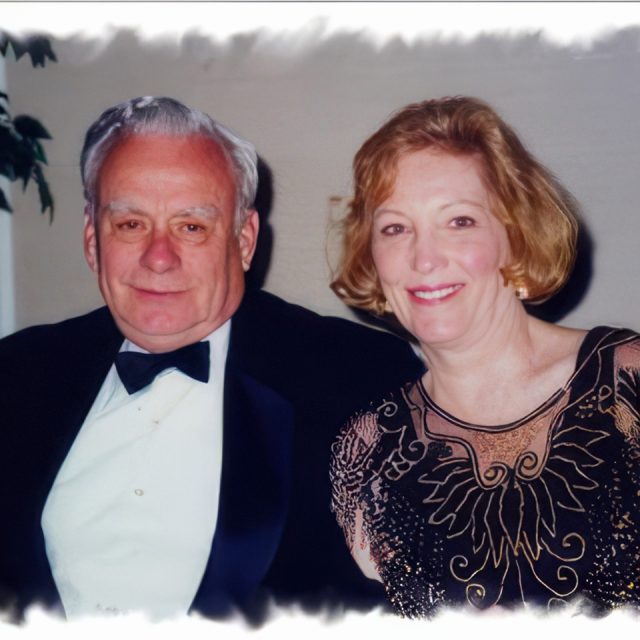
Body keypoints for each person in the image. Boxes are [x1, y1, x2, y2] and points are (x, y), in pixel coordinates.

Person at [0, 96, 424, 622]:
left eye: (192, 227)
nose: (159, 257)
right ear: (92, 240)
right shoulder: (17, 374)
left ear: (243, 241)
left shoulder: (357, 378)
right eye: (130, 224)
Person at [330, 96, 640, 617]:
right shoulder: (366, 453)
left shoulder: (629, 383)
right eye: (395, 228)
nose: (424, 258)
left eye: (459, 222)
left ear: (514, 238)